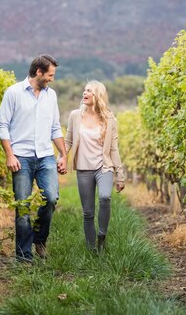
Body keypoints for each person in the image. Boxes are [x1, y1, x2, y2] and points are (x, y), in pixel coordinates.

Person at [0, 54, 67, 262]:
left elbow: (55, 127)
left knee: (51, 198)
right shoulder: (14, 93)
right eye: (50, 75)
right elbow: (2, 126)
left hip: (46, 156)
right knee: (23, 207)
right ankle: (24, 256)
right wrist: (10, 155)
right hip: (22, 158)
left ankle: (39, 239)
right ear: (38, 72)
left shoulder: (51, 96)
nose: (52, 79)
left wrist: (63, 154)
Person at [64, 80, 125, 252]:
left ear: (97, 95)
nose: (85, 93)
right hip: (83, 168)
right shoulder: (75, 116)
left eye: (89, 90)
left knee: (105, 197)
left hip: (103, 166)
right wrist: (62, 157)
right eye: (84, 90)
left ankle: (102, 237)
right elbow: (68, 141)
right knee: (88, 212)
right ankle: (92, 250)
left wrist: (120, 175)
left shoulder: (109, 119)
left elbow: (114, 149)